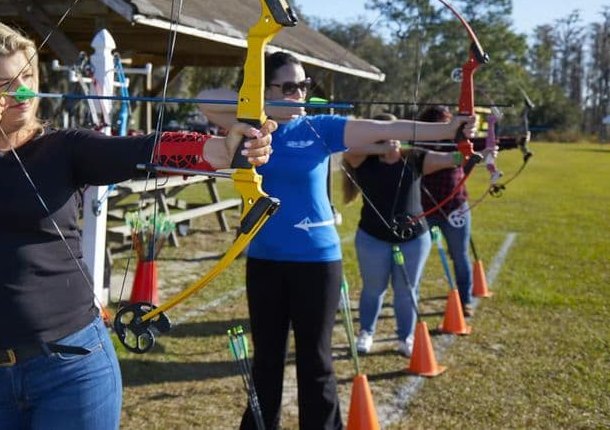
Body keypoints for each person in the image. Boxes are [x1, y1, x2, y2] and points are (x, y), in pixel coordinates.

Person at [0, 11, 277, 430]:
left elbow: (141, 151)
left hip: (71, 368)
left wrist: (221, 151)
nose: (25, 92)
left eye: (28, 76)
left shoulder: (64, 149)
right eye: (6, 83)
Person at [198, 52, 476, 430]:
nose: (299, 94)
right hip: (264, 261)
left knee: (316, 360)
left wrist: (448, 131)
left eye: (304, 86)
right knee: (267, 360)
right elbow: (205, 99)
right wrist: (258, 105)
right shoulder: (249, 127)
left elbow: (389, 130)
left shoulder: (320, 127)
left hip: (316, 264)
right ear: (266, 89)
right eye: (289, 86)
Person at [342, 113, 472, 358]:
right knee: (373, 288)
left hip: (414, 237)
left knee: (406, 290)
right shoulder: (362, 160)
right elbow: (348, 147)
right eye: (382, 134)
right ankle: (366, 332)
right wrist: (381, 145)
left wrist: (471, 145)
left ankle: (406, 337)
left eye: (395, 133)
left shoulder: (415, 158)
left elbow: (456, 158)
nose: (392, 140)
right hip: (372, 236)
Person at [418, 105, 475, 317]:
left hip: (455, 207)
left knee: (460, 256)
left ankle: (465, 300)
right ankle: (410, 298)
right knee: (417, 256)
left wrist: (512, 141)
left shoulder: (458, 140)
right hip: (426, 208)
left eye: (448, 122)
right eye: (441, 123)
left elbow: (477, 143)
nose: (446, 126)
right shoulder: (419, 143)